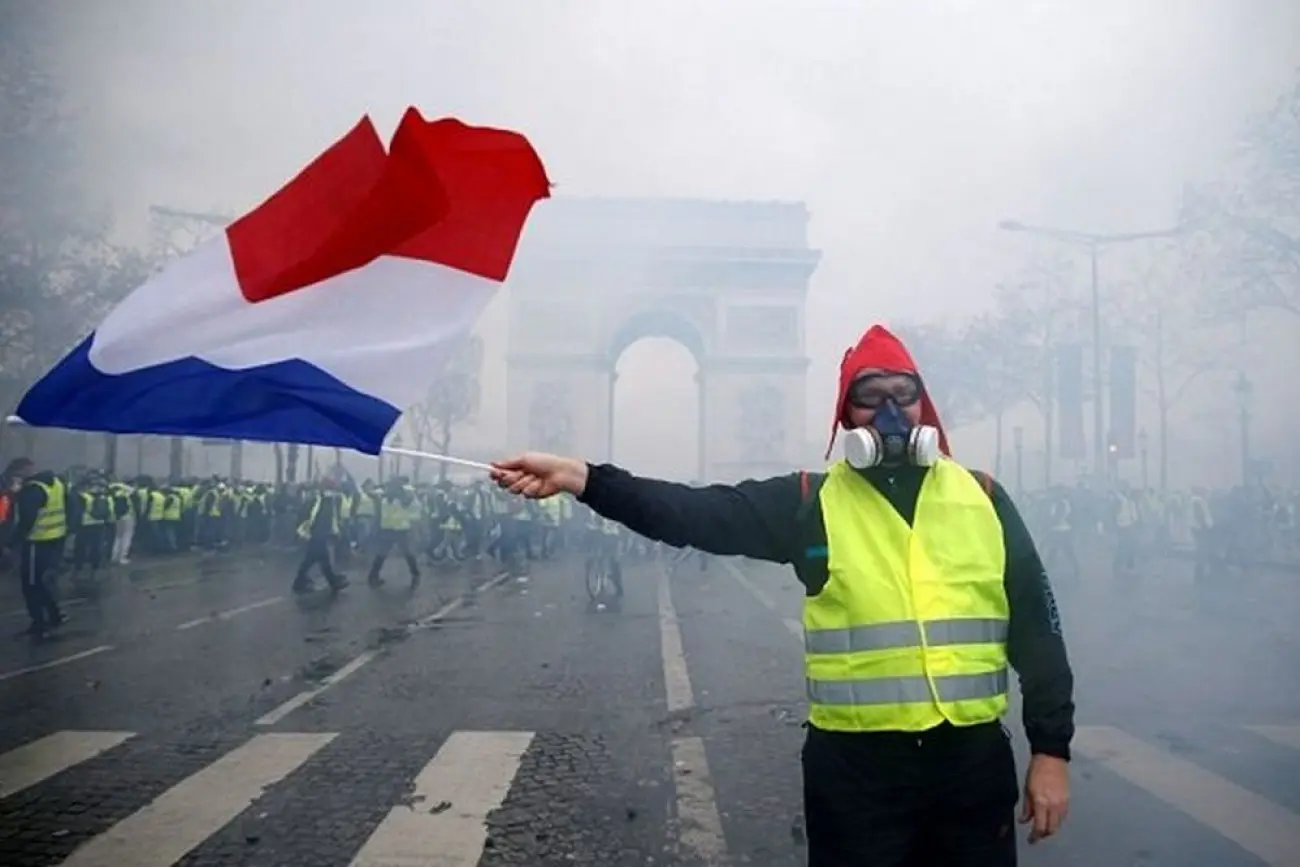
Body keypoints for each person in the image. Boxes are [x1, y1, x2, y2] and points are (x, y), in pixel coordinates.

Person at [491, 325, 1074, 866]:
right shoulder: (807, 502)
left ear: (926, 403)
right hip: (855, 773)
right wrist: (583, 478)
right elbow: (695, 513)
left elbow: (1039, 632)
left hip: (971, 765)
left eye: (905, 392)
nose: (891, 411)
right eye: (870, 396)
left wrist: (1051, 752)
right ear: (844, 413)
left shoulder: (984, 497)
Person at [2, 458, 68, 639]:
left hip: (36, 541)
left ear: (24, 470)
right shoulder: (55, 483)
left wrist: (11, 544)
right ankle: (55, 615)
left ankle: (39, 623)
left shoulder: (32, 489)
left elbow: (26, 520)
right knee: (41, 581)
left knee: (31, 584)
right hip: (55, 538)